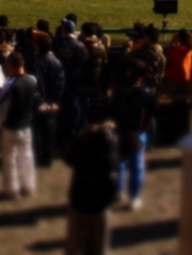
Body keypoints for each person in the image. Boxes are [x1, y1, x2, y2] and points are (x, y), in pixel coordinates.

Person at [64, 104, 120, 255]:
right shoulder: (112, 140)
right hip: (101, 204)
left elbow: (68, 156)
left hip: (80, 202)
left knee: (75, 247)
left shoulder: (83, 141)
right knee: (99, 248)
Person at [109, 60, 154, 210]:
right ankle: (134, 197)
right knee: (137, 167)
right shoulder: (147, 92)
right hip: (138, 133)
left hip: (121, 131)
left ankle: (118, 191)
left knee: (119, 164)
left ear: (129, 72)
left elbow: (113, 108)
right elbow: (153, 111)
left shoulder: (120, 89)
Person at [0, 51, 39, 199]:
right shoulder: (32, 80)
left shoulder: (9, 85)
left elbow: (2, 109)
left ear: (10, 66)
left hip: (10, 126)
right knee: (27, 156)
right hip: (26, 125)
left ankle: (11, 189)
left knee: (10, 159)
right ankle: (29, 186)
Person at [32, 32, 64, 167]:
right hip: (51, 102)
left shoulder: (37, 62)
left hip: (41, 102)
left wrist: (41, 102)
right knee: (49, 130)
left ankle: (39, 156)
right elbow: (60, 83)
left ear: (38, 46)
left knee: (38, 130)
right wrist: (55, 102)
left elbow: (36, 84)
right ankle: (48, 157)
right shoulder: (56, 61)